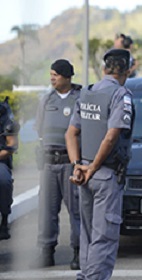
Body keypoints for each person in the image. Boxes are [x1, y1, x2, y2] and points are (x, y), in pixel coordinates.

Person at [65, 49, 134, 280]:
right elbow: (111, 136)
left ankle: (86, 275)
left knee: (87, 232)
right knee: (104, 234)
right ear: (126, 70)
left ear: (105, 69)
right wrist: (93, 166)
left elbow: (71, 133)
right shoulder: (120, 94)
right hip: (104, 174)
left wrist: (77, 165)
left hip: (83, 174)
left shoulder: (87, 92)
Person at [31, 59, 81, 270]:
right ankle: (46, 251)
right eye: (50, 74)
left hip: (71, 162)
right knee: (47, 210)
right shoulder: (46, 100)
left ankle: (79, 252)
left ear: (67, 77)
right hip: (50, 163)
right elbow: (40, 129)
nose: (52, 78)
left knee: (76, 210)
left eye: (55, 75)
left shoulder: (80, 98)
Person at [0, 97, 18, 241]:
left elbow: (12, 145)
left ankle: (4, 219)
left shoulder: (3, 111)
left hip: (0, 158)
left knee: (4, 181)